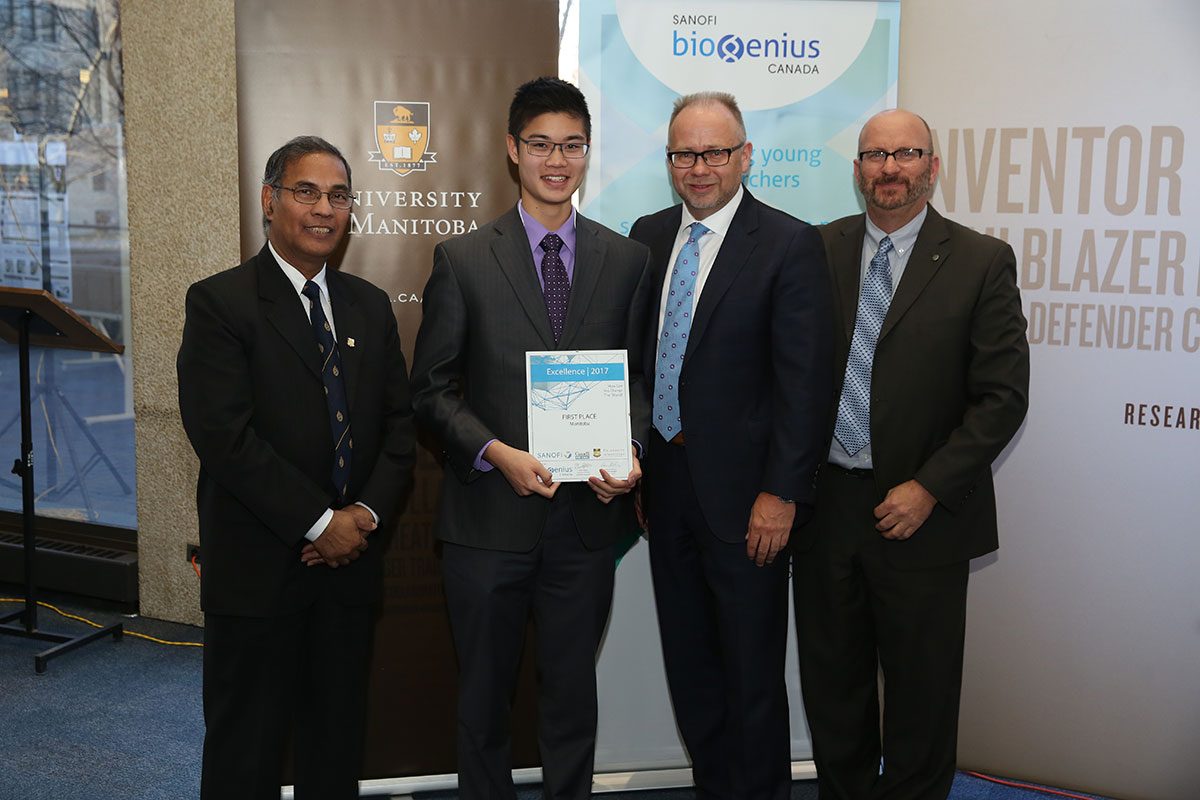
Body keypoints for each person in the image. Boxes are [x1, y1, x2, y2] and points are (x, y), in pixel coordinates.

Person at [409, 77, 653, 800]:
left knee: (572, 701)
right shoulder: (464, 260)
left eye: (572, 145)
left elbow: (637, 379)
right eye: (541, 144)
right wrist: (495, 453)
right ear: (513, 150)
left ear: (586, 153)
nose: (557, 159)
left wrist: (631, 452)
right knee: (483, 703)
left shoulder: (627, 260)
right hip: (488, 524)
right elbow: (431, 390)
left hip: (584, 528)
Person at [792, 108, 1030, 800]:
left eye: (906, 154)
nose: (889, 168)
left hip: (922, 514)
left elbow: (1002, 398)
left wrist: (928, 487)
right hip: (827, 506)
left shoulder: (981, 261)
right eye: (874, 155)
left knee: (922, 701)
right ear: (858, 168)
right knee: (833, 691)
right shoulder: (817, 249)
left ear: (933, 165)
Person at [177, 135, 416, 800]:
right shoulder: (220, 304)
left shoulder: (368, 305)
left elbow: (400, 427)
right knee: (244, 756)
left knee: (334, 749)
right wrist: (318, 524)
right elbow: (225, 438)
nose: (324, 209)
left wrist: (360, 519)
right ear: (269, 200)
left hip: (347, 576)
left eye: (338, 196)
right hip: (259, 574)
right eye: (306, 191)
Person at [629, 91, 832, 800]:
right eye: (685, 152)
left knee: (750, 677)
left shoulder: (788, 242)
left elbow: (804, 387)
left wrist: (782, 494)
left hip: (750, 501)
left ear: (746, 155)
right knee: (693, 672)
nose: (700, 167)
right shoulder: (647, 236)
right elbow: (638, 363)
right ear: (670, 161)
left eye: (715, 151)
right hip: (667, 492)